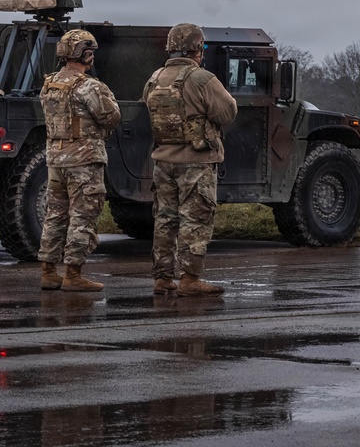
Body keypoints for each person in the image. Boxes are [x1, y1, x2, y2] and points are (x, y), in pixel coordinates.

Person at [143, 23, 237, 296]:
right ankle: (190, 279)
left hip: (163, 161)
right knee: (195, 219)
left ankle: (162, 278)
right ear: (198, 49)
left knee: (165, 218)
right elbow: (228, 112)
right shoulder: (202, 78)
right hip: (195, 162)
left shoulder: (155, 78)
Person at [38, 29, 121, 292]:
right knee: (82, 216)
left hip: (55, 161)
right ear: (83, 53)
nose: (93, 56)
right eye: (90, 51)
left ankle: (49, 272)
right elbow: (110, 117)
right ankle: (73, 274)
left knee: (55, 215)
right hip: (83, 161)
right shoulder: (88, 86)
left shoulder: (49, 84)